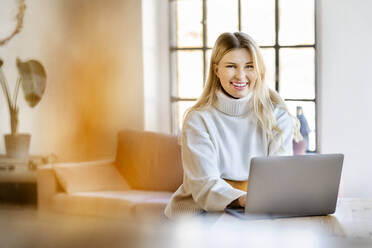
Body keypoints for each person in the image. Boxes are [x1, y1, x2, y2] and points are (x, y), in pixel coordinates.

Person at [164, 32, 301, 219]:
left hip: (249, 214)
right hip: (194, 217)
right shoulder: (198, 119)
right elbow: (205, 186)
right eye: (231, 66)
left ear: (259, 70)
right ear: (216, 70)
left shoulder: (277, 116)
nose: (241, 75)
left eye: (249, 66)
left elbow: (276, 180)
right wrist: (246, 199)